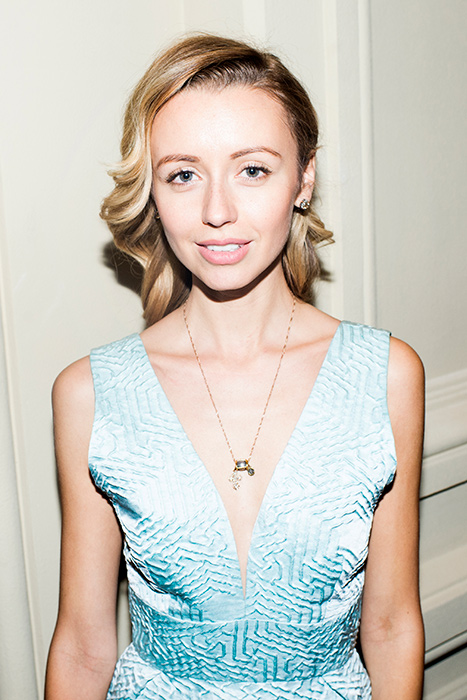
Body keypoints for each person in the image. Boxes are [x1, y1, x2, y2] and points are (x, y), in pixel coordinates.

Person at [45, 34, 425, 700]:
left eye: (252, 170)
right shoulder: (91, 394)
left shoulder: (385, 376)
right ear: (152, 191)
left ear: (303, 179)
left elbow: (391, 626)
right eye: (183, 174)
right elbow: (81, 645)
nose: (216, 212)